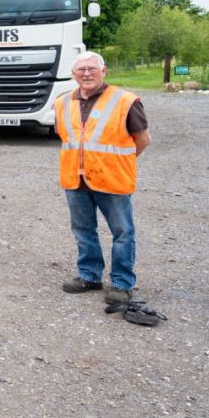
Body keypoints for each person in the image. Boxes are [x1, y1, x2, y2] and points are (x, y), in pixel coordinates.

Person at [55, 51, 150, 304]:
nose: (86, 74)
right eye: (81, 70)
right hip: (76, 180)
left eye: (91, 68)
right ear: (73, 74)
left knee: (122, 232)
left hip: (113, 179)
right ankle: (89, 276)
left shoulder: (125, 101)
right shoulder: (62, 102)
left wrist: (119, 162)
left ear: (103, 70)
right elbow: (65, 136)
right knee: (83, 230)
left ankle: (121, 283)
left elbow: (142, 140)